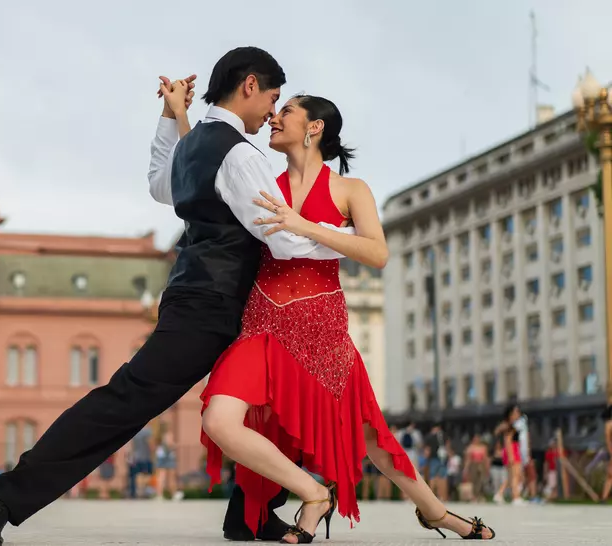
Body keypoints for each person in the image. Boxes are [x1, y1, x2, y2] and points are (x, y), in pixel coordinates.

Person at [0, 47, 331, 546]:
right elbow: (282, 237)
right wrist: (350, 237)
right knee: (127, 400)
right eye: (271, 96)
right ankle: (0, 499)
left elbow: (161, 186)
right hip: (212, 304)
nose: (272, 110)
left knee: (267, 403)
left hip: (205, 298)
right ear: (249, 85)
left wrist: (167, 117)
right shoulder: (241, 154)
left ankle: (251, 516)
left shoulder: (197, 143)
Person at [160, 83, 496, 542]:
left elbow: (377, 253)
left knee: (374, 440)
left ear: (313, 127)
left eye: (289, 110)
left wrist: (304, 225)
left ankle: (436, 513)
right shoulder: (261, 182)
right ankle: (313, 494)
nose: (274, 116)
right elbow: (201, 165)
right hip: (262, 326)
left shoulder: (350, 190)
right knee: (219, 419)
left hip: (323, 332)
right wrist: (179, 115)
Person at [463, 435, 490, 503]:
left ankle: (479, 496)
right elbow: (468, 459)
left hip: (481, 464)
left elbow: (485, 458)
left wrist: (487, 467)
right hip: (473, 465)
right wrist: (465, 468)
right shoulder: (470, 447)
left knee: (481, 480)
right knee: (473, 480)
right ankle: (474, 496)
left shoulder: (483, 447)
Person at [601, 404, 612, 502]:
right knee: (610, 474)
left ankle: (604, 497)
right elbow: (607, 439)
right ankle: (604, 497)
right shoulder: (609, 424)